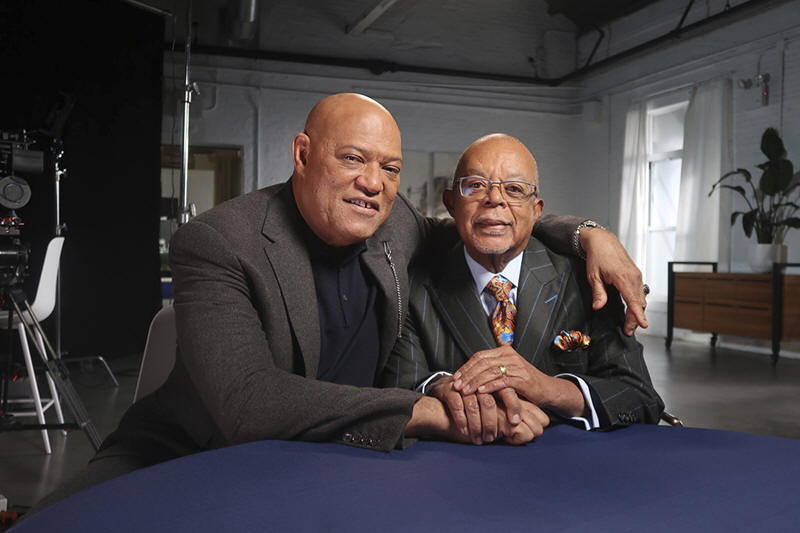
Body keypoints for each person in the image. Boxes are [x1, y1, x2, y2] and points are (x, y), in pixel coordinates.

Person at [30, 94, 648, 512]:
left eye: (390, 168)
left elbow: (489, 220)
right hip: (195, 449)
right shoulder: (219, 242)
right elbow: (247, 403)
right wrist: (435, 413)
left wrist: (591, 235)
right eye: (352, 158)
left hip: (335, 458)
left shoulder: (396, 224)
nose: (372, 182)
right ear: (302, 154)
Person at [381, 134, 663, 444]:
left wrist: (548, 388)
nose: (495, 199)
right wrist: (444, 389)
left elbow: (640, 398)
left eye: (514, 189)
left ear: (536, 210)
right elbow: (399, 390)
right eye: (476, 185)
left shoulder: (586, 280)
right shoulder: (413, 285)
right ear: (451, 203)